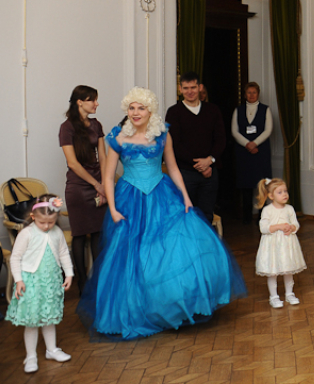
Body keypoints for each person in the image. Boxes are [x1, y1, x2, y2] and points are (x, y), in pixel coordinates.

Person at [77, 87, 246, 340]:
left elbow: (174, 169)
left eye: (141, 108)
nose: (135, 112)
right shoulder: (118, 137)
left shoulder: (163, 133)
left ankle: (170, 309)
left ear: (150, 110)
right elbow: (109, 177)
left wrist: (187, 198)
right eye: (132, 108)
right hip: (129, 199)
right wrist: (112, 209)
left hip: (161, 195)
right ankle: (139, 310)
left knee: (169, 252)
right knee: (133, 256)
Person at [7, 196, 74, 373]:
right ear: (33, 216)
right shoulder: (26, 233)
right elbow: (15, 257)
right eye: (43, 222)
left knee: (49, 318)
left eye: (51, 222)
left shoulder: (57, 232)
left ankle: (51, 350)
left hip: (50, 282)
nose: (47, 226)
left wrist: (69, 273)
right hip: (31, 283)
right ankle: (31, 356)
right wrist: (19, 279)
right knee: (32, 321)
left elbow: (64, 254)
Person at [58, 85, 108, 293]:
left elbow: (103, 157)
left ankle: (97, 281)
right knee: (80, 235)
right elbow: (72, 163)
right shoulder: (67, 127)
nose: (96, 103)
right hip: (79, 187)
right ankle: (82, 282)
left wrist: (104, 184)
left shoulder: (96, 125)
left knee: (98, 233)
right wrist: (96, 184)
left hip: (99, 184)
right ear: (80, 102)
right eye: (92, 100)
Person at [165, 71, 226, 222]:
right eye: (186, 88)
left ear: (200, 87)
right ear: (180, 89)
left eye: (193, 87)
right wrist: (200, 165)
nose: (190, 91)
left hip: (210, 173)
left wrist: (209, 161)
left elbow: (221, 139)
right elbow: (175, 145)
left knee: (206, 217)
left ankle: (205, 246)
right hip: (185, 173)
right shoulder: (173, 112)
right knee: (184, 215)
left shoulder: (213, 110)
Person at [255, 177, 305, 308]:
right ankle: (274, 296)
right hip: (272, 245)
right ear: (271, 196)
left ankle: (289, 294)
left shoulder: (289, 209)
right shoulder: (267, 210)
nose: (284, 194)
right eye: (280, 192)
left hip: (287, 244)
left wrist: (292, 228)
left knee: (288, 270)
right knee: (273, 271)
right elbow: (263, 228)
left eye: (285, 191)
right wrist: (278, 226)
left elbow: (296, 224)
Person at [232, 82, 273, 224]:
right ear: (245, 94)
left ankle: (263, 216)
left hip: (260, 152)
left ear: (258, 94)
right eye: (249, 92)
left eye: (254, 92)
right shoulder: (238, 110)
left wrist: (254, 143)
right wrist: (247, 144)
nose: (251, 95)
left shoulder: (265, 110)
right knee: (246, 185)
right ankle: (247, 217)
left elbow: (268, 130)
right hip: (244, 153)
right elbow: (234, 131)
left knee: (261, 185)